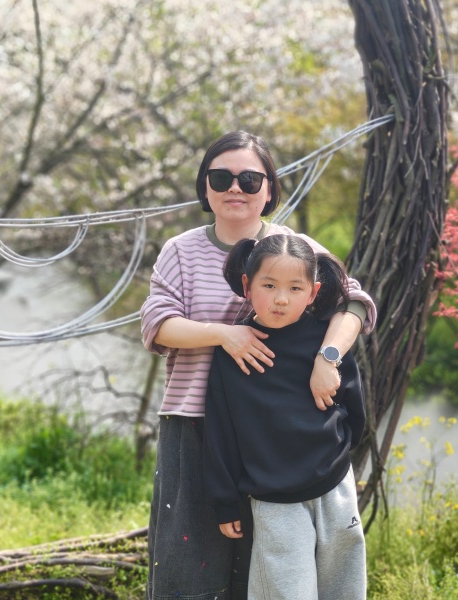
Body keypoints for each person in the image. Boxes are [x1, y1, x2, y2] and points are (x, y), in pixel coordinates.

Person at [139, 131, 376, 600]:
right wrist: (224, 334)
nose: (235, 188)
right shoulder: (180, 250)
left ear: (269, 188)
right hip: (195, 423)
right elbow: (157, 324)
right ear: (205, 186)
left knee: (270, 564)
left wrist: (328, 358)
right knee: (192, 559)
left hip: (275, 436)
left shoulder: (291, 247)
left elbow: (354, 301)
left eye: (249, 179)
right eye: (221, 177)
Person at [203, 234, 366, 600]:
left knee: (345, 588)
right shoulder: (235, 352)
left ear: (313, 293)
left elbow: (354, 407)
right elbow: (220, 431)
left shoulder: (326, 345)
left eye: (295, 288)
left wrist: (338, 453)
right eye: (269, 285)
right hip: (273, 498)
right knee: (286, 592)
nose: (281, 298)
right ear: (247, 285)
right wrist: (225, 501)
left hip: (335, 487)